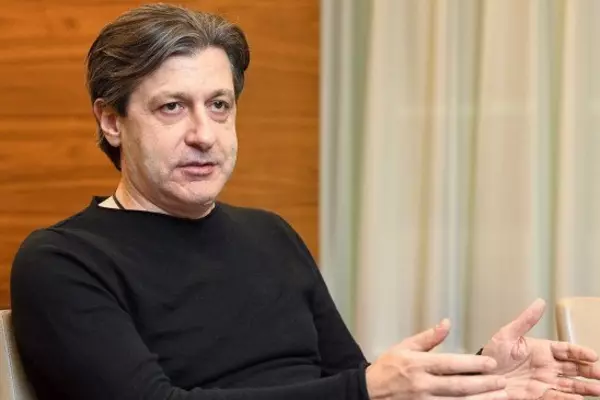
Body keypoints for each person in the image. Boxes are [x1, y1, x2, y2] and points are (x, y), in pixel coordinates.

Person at [9, 3, 600, 400]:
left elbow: (347, 383)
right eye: (172, 107)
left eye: (219, 105)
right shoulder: (63, 260)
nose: (204, 134)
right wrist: (368, 388)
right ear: (111, 121)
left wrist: (481, 378)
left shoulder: (270, 233)